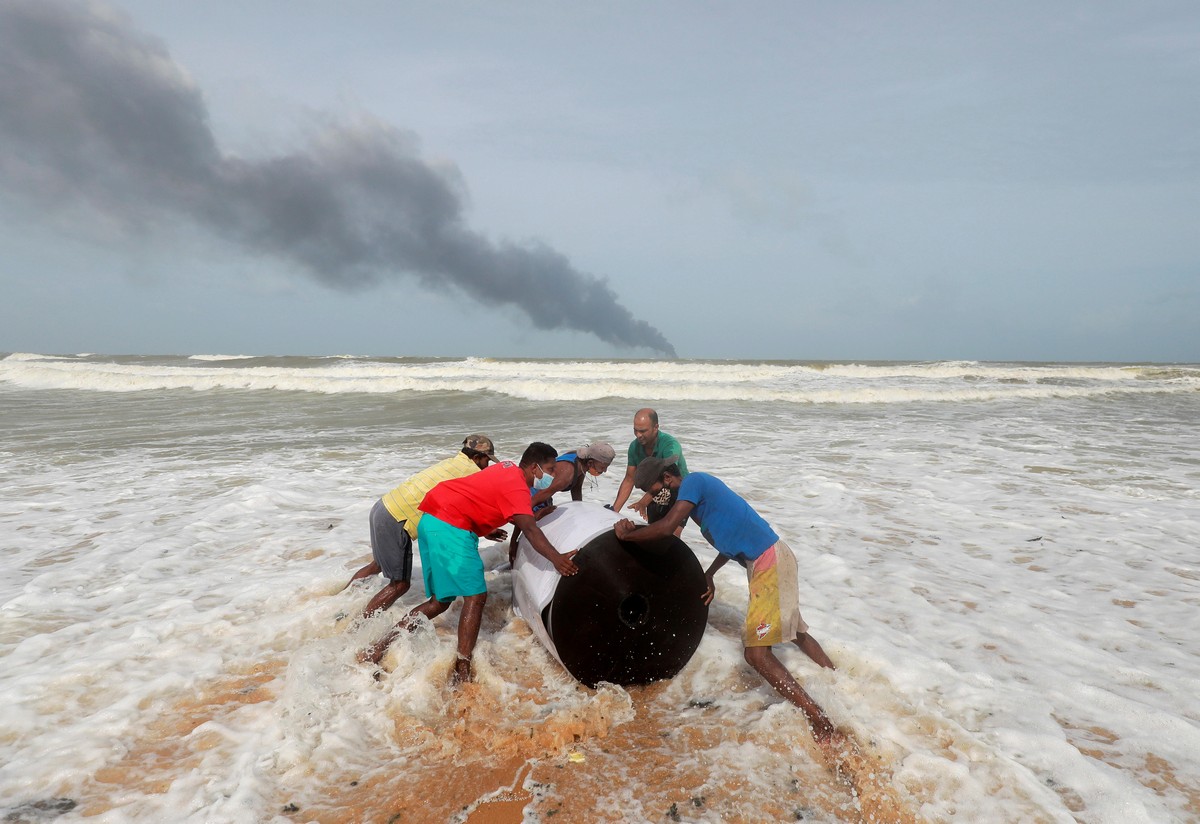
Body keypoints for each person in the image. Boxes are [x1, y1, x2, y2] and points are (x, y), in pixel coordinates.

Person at [614, 457, 837, 743]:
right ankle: (837, 680)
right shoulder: (697, 504)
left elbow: (667, 527)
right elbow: (730, 539)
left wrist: (627, 537)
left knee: (756, 654)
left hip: (770, 562)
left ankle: (819, 719)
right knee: (795, 630)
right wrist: (710, 574)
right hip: (766, 561)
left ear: (669, 477)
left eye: (655, 489)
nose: (656, 496)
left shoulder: (694, 482)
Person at [359, 442, 580, 682]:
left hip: (430, 521)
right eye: (550, 469)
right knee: (476, 597)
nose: (552, 475)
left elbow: (482, 496)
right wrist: (557, 560)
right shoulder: (518, 489)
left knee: (440, 602)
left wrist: (483, 526)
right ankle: (462, 668)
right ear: (535, 467)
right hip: (450, 527)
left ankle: (381, 646)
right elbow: (529, 529)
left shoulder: (506, 468)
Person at [342, 434, 506, 619]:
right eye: (487, 460)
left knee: (377, 565)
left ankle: (340, 605)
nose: (488, 466)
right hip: (398, 519)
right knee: (400, 584)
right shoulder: (472, 472)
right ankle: (359, 622)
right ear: (476, 457)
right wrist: (489, 529)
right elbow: (471, 507)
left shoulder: (451, 463)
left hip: (383, 507)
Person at [611, 408, 688, 523]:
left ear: (656, 427)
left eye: (642, 431)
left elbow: (668, 477)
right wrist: (614, 511)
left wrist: (643, 502)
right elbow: (629, 479)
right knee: (653, 533)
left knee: (672, 535)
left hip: (678, 491)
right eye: (635, 430)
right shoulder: (634, 447)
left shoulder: (670, 445)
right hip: (653, 493)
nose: (638, 435)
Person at [530, 441, 617, 510]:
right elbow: (536, 499)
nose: (605, 471)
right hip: (532, 495)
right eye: (603, 467)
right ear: (590, 463)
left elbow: (576, 489)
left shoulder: (581, 463)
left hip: (543, 495)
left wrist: (580, 511)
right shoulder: (567, 474)